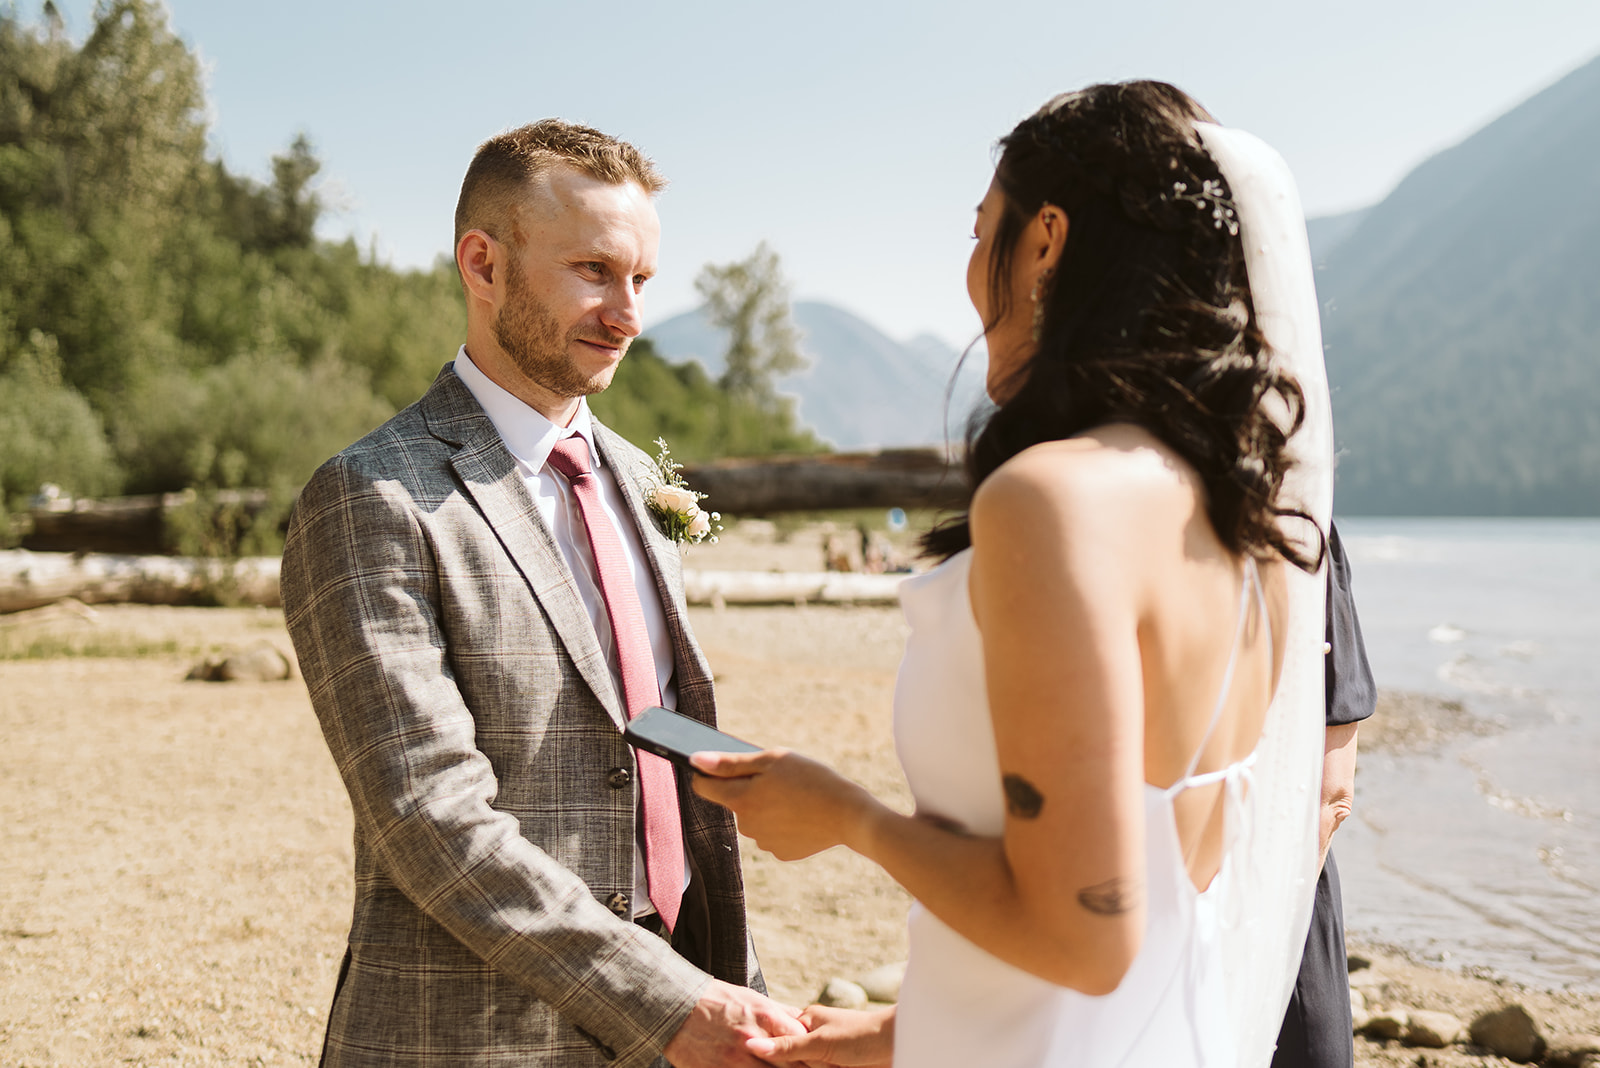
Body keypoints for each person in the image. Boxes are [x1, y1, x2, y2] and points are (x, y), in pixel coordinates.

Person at [691, 81, 1335, 1067]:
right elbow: (1164, 900)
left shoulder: (1053, 502)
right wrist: (896, 1036)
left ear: (1042, 243)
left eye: (977, 229)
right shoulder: (1259, 537)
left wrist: (848, 818)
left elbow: (1085, 936)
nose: (967, 268)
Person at [279, 121, 803, 1068]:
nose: (628, 314)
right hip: (475, 1029)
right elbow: (429, 819)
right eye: (595, 272)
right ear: (483, 263)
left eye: (641, 280)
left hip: (686, 985)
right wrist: (667, 1004)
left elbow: (634, 718)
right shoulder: (370, 498)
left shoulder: (641, 478)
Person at [1275, 523, 1377, 1068]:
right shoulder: (1299, 530)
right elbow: (1331, 796)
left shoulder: (1303, 536)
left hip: (1279, 891)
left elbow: (1331, 796)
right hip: (1250, 895)